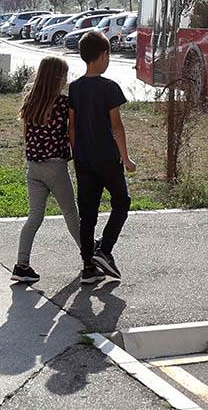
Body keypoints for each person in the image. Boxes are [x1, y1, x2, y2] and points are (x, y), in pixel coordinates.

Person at [69, 30, 137, 285]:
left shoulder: (74, 88)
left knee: (88, 213)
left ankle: (88, 267)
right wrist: (126, 158)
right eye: (108, 55)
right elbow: (116, 126)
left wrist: (77, 153)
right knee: (122, 201)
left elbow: (72, 126)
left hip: (83, 159)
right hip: (108, 157)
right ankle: (105, 250)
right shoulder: (109, 88)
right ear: (103, 55)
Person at [12, 57, 81, 283]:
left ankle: (21, 265)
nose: (66, 79)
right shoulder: (62, 103)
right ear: (57, 77)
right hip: (55, 167)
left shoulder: (30, 101)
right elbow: (71, 133)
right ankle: (89, 256)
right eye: (64, 75)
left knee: (34, 217)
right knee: (71, 213)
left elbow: (26, 135)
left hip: (33, 168)